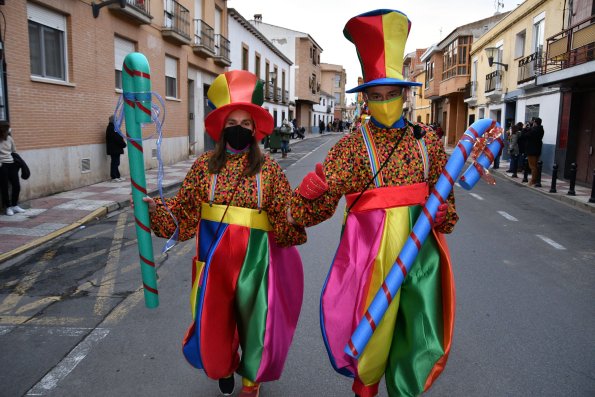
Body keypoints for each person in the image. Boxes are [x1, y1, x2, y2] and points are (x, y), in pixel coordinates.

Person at [289, 10, 458, 397]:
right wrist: (299, 204)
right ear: (365, 99)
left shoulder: (426, 142)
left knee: (416, 337)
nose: (385, 103)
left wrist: (443, 213)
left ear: (405, 94)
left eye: (392, 94)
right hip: (369, 260)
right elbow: (317, 206)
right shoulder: (350, 147)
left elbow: (448, 206)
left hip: (421, 258)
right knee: (372, 342)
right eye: (376, 96)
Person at [141, 70, 306, 397]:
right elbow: (184, 210)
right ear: (222, 127)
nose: (240, 129)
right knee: (215, 321)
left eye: (247, 124)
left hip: (256, 261)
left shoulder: (269, 169)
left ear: (255, 129)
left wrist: (301, 210)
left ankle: (251, 382)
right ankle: (224, 364)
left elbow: (285, 213)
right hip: (213, 258)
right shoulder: (204, 167)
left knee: (255, 321)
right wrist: (155, 209)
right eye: (233, 122)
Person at [0, 125, 26, 216]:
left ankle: (15, 205)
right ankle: (8, 207)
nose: (8, 132)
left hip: (12, 164)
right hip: (2, 165)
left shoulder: (9, 138)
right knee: (4, 187)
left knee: (16, 185)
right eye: (6, 130)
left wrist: (16, 162)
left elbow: (14, 151)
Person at [105, 115, 127, 182]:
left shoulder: (114, 127)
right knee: (115, 162)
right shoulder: (112, 128)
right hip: (114, 149)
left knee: (116, 162)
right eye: (116, 120)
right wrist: (123, 144)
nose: (118, 121)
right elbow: (117, 138)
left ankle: (117, 176)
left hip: (115, 149)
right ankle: (114, 177)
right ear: (114, 120)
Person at [524, 117, 544, 186]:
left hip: (532, 150)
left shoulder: (534, 130)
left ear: (535, 123)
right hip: (537, 149)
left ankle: (533, 181)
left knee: (532, 166)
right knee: (535, 166)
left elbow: (524, 135)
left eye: (533, 122)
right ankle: (536, 180)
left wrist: (524, 128)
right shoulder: (541, 129)